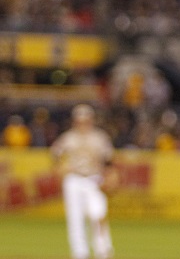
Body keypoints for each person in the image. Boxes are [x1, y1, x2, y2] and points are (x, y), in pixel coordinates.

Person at [50, 104, 116, 259]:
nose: (83, 122)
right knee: (75, 218)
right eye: (80, 120)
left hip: (94, 179)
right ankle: (80, 253)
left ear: (91, 120)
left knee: (98, 214)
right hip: (74, 180)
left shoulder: (99, 137)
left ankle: (103, 250)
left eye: (86, 119)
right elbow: (55, 154)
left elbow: (108, 160)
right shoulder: (68, 137)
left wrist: (111, 176)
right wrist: (60, 167)